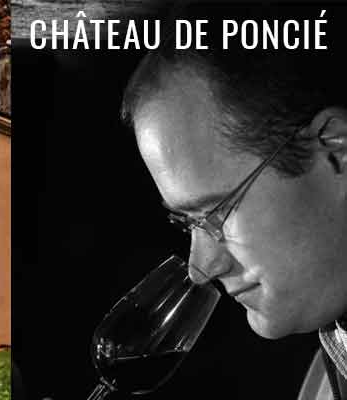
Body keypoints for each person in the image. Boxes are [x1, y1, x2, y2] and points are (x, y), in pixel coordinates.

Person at [121, 4, 347, 399]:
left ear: (335, 150)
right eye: (188, 222)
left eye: (216, 213)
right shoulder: (326, 376)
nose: (199, 269)